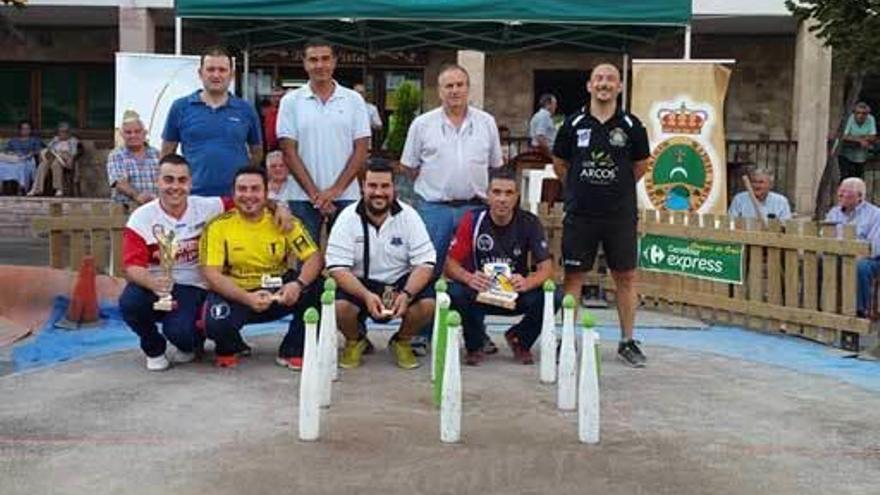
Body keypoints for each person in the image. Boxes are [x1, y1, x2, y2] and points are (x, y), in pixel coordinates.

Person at [400, 63, 503, 355]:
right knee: (426, 270)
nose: (455, 90)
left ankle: (477, 335)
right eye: (449, 86)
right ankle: (421, 333)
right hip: (433, 208)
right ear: (439, 91)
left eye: (460, 85)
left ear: (468, 88)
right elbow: (408, 167)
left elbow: (496, 164)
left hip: (474, 208)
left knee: (476, 274)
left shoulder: (486, 123)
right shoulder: (422, 124)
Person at [552, 63, 651, 368]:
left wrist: (615, 188)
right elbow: (560, 163)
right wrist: (580, 189)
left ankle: (627, 341)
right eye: (599, 79)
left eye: (611, 79)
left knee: (626, 276)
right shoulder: (573, 123)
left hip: (619, 216)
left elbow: (641, 165)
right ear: (589, 86)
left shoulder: (632, 126)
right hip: (581, 215)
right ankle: (567, 337)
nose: (604, 84)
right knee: (573, 277)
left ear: (620, 87)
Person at [118, 154, 234, 371]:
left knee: (180, 334)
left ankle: (192, 341)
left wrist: (279, 207)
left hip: (192, 286)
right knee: (129, 303)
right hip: (154, 282)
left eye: (182, 180)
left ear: (190, 183)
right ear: (157, 181)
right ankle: (153, 348)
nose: (175, 187)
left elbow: (247, 201)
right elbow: (132, 267)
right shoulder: (141, 217)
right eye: (168, 180)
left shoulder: (208, 206)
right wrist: (155, 285)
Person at [201, 166, 323, 370]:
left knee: (318, 288)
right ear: (233, 193)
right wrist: (246, 298)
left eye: (255, 189)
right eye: (242, 189)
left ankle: (293, 349)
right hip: (238, 293)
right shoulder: (218, 226)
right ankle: (233, 345)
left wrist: (298, 285)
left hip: (278, 290)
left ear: (266, 193)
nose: (248, 195)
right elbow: (211, 274)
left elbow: (314, 258)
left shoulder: (285, 221)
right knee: (215, 323)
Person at [325, 159, 436, 369]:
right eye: (372, 186)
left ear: (394, 188)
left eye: (385, 186)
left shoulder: (410, 216)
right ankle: (355, 340)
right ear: (362, 188)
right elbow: (337, 268)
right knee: (338, 306)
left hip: (399, 283)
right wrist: (366, 296)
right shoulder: (346, 218)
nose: (379, 192)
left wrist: (407, 294)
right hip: (361, 285)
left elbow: (425, 263)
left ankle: (402, 341)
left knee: (428, 304)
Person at [445, 168, 560, 365]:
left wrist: (528, 282)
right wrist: (469, 278)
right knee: (454, 292)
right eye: (497, 192)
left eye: (508, 193)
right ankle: (474, 344)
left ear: (516, 196)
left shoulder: (529, 222)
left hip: (514, 294)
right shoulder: (472, 220)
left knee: (555, 295)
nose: (502, 199)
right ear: (487, 195)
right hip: (480, 292)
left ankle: (520, 339)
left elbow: (547, 267)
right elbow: (449, 264)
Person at [277, 38, 371, 244]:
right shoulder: (290, 101)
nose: (320, 65)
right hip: (302, 196)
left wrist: (336, 190)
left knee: (347, 261)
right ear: (304, 63)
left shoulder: (354, 100)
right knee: (305, 262)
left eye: (325, 59)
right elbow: (288, 151)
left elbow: (361, 149)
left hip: (346, 195)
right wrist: (315, 195)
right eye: (313, 59)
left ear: (335, 61)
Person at [162, 46, 264, 196]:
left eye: (222, 70)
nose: (216, 75)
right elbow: (167, 154)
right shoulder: (180, 107)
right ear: (200, 73)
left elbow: (257, 153)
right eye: (210, 69)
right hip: (192, 196)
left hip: (235, 199)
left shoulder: (246, 110)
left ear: (232, 75)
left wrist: (242, 183)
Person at [824, 178, 880, 317]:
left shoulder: (875, 214)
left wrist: (855, 255)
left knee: (861, 267)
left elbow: (875, 247)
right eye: (840, 190)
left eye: (845, 191)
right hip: (838, 254)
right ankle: (813, 306)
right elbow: (823, 237)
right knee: (816, 260)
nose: (840, 194)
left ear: (860, 196)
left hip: (870, 259)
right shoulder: (834, 212)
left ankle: (859, 311)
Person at [107, 110, 160, 209]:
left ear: (144, 133)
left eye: (137, 131)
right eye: (128, 132)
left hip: (154, 209)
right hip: (125, 210)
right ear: (122, 135)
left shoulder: (157, 155)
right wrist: (137, 196)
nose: (133, 135)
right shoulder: (116, 155)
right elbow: (119, 182)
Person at [29, 122, 78, 197]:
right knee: (42, 165)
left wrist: (70, 159)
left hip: (64, 158)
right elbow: (49, 148)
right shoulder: (55, 139)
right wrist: (47, 153)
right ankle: (37, 189)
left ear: (68, 133)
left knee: (55, 164)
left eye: (65, 132)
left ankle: (58, 188)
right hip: (54, 156)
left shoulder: (73, 140)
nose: (62, 134)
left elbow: (74, 152)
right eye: (60, 132)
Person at [727, 168, 792, 221]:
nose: (756, 186)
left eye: (761, 182)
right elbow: (730, 222)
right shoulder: (739, 199)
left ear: (771, 185)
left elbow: (786, 226)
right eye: (754, 182)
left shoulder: (781, 201)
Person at [838, 102, 876, 179]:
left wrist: (855, 137)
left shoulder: (871, 119)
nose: (860, 115)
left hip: (861, 155)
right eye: (858, 113)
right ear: (854, 113)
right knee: (846, 176)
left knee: (858, 177)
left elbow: (873, 136)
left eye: (864, 113)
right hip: (846, 153)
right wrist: (859, 140)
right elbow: (844, 136)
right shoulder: (849, 118)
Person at [354, 83, 383, 149]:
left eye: (361, 92)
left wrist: (370, 123)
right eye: (356, 92)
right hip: (348, 142)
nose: (359, 94)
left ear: (365, 94)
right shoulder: (346, 107)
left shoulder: (372, 108)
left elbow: (379, 125)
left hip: (365, 141)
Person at [262, 86, 285, 152]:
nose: (277, 99)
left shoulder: (288, 112)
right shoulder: (266, 112)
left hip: (283, 148)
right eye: (274, 96)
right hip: (269, 149)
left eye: (280, 96)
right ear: (270, 98)